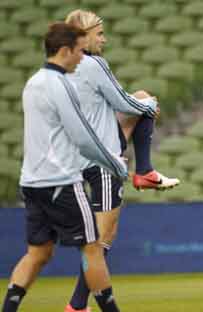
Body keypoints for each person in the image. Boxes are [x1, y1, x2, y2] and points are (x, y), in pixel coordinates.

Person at [1, 23, 127, 312]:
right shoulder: (61, 86)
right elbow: (83, 137)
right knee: (93, 247)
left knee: (38, 252)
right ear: (64, 50)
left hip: (31, 183)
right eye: (80, 52)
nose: (82, 58)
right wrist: (115, 164)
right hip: (60, 182)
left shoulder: (33, 83)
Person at [63, 9, 179, 312]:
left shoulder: (62, 67)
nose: (105, 38)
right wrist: (151, 106)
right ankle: (77, 307)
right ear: (84, 36)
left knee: (98, 238)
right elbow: (122, 101)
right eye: (99, 33)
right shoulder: (93, 63)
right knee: (103, 239)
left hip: (78, 153)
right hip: (102, 159)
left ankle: (144, 170)